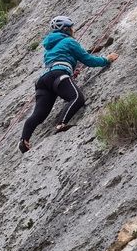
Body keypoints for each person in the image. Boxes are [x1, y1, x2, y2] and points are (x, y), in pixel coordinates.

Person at [18, 15, 118, 154]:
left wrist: (70, 71)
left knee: (39, 114)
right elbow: (88, 59)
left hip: (43, 80)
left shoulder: (49, 48)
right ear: (66, 29)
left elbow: (60, 59)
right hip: (58, 75)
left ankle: (24, 140)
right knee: (77, 98)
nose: (73, 29)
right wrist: (106, 59)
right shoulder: (69, 41)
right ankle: (61, 124)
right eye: (71, 27)